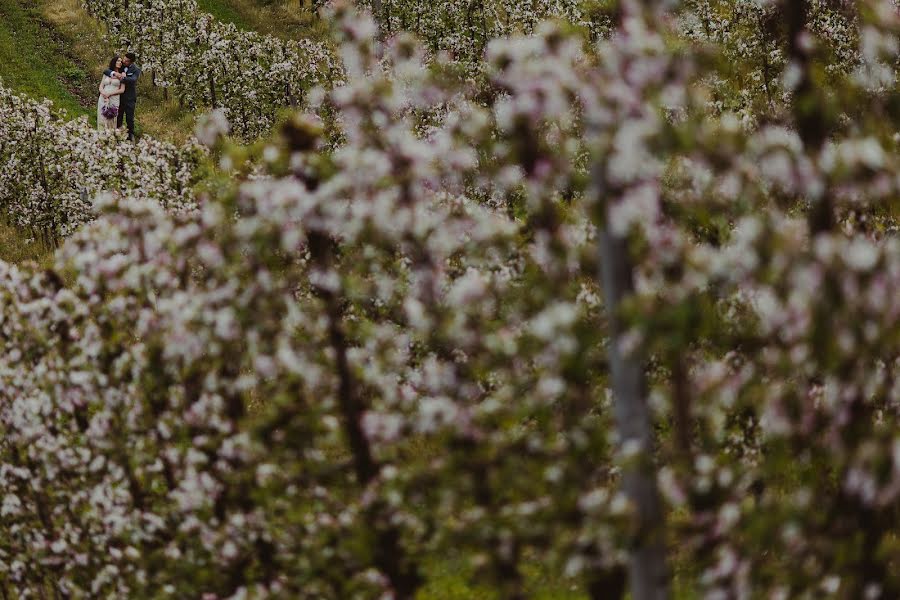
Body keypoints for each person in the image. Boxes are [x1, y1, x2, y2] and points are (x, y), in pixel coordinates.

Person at [104, 52, 141, 141]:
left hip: (129, 97)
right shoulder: (122, 66)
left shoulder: (136, 69)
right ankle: (117, 132)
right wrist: (115, 73)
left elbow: (133, 80)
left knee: (129, 117)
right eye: (124, 59)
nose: (124, 61)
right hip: (119, 96)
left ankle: (130, 134)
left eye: (126, 61)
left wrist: (123, 78)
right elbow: (106, 71)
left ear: (131, 62)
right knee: (118, 115)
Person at [97, 57, 125, 131]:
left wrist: (110, 94)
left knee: (111, 118)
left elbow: (122, 90)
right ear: (114, 62)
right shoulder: (107, 73)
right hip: (103, 97)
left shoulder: (122, 75)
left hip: (114, 98)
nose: (120, 63)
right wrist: (104, 94)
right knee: (102, 116)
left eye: (121, 62)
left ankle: (110, 136)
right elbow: (101, 86)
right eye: (118, 61)